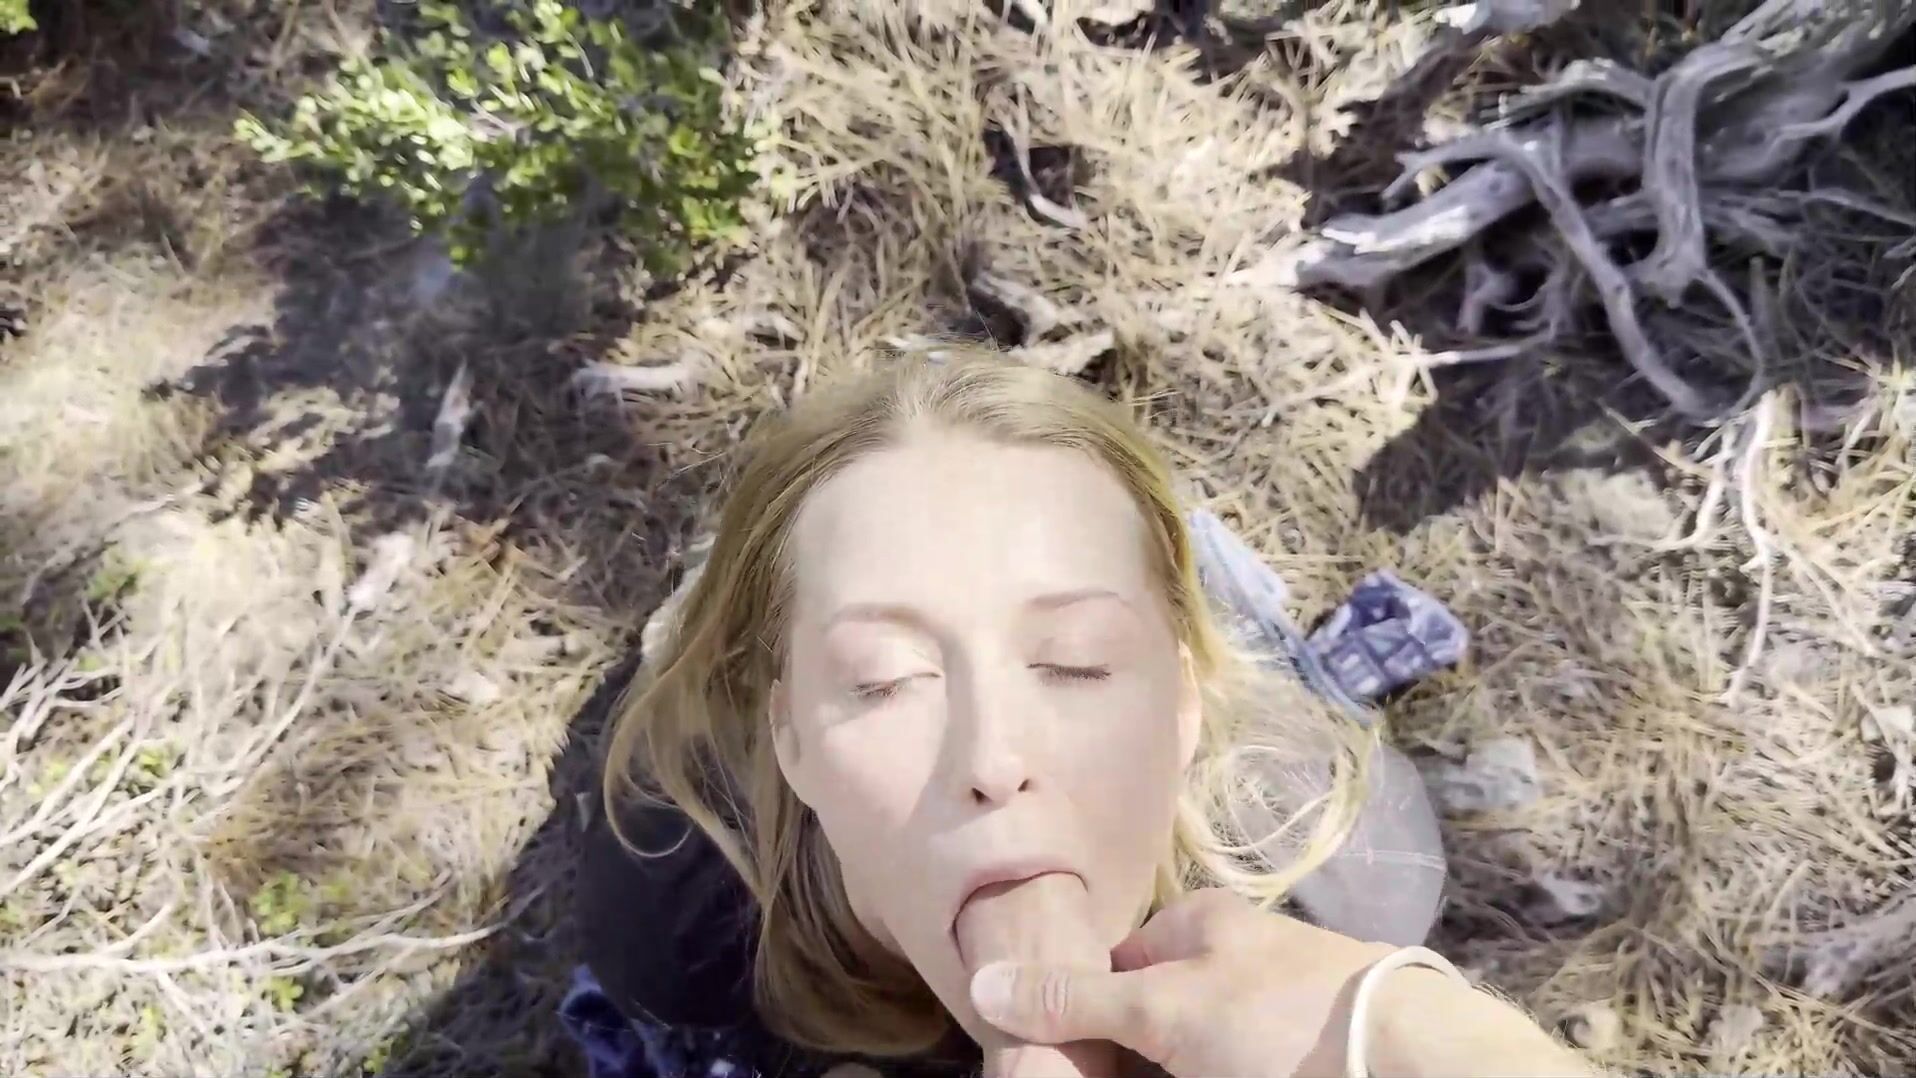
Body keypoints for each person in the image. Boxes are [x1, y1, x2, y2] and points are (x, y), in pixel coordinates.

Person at [573, 353, 1591, 1078]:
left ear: (1184, 700)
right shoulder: (677, 899)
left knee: (1223, 601)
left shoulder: (1347, 872)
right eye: (881, 679)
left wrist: (1391, 1032)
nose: (993, 758)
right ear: (788, 738)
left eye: (1076, 662)